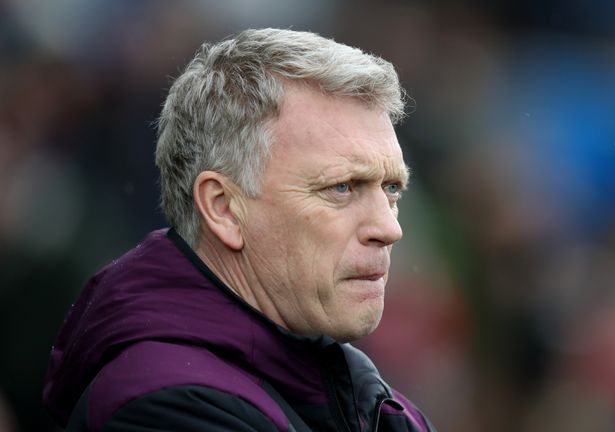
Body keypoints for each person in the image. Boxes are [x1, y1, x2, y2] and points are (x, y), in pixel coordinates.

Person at [43, 28, 436, 432]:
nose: (389, 228)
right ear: (224, 208)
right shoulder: (165, 407)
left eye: (391, 188)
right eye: (342, 187)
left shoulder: (368, 400)